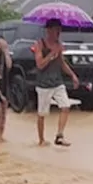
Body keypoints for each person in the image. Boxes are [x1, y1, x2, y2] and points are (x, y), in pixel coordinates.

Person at [31, 18, 80, 147]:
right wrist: (51, 54)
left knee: (66, 106)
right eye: (55, 30)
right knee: (42, 114)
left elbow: (62, 63)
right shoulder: (39, 44)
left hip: (57, 82)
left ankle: (60, 135)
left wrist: (73, 75)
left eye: (59, 30)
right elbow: (40, 64)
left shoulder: (59, 45)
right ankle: (41, 140)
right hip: (43, 84)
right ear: (48, 31)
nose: (58, 33)